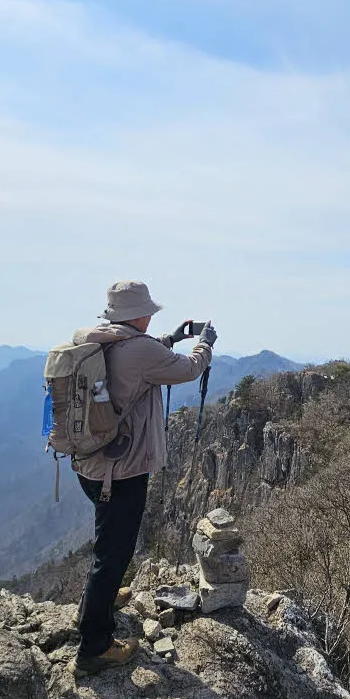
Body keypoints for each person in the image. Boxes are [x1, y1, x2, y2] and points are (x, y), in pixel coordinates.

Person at [73, 280, 216, 677]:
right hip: (121, 472)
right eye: (149, 310)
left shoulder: (103, 340)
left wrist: (169, 339)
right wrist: (204, 342)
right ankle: (95, 646)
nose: (153, 316)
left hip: (90, 464)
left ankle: (95, 605)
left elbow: (141, 359)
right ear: (138, 312)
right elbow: (189, 369)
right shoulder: (139, 349)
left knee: (108, 544)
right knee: (113, 552)